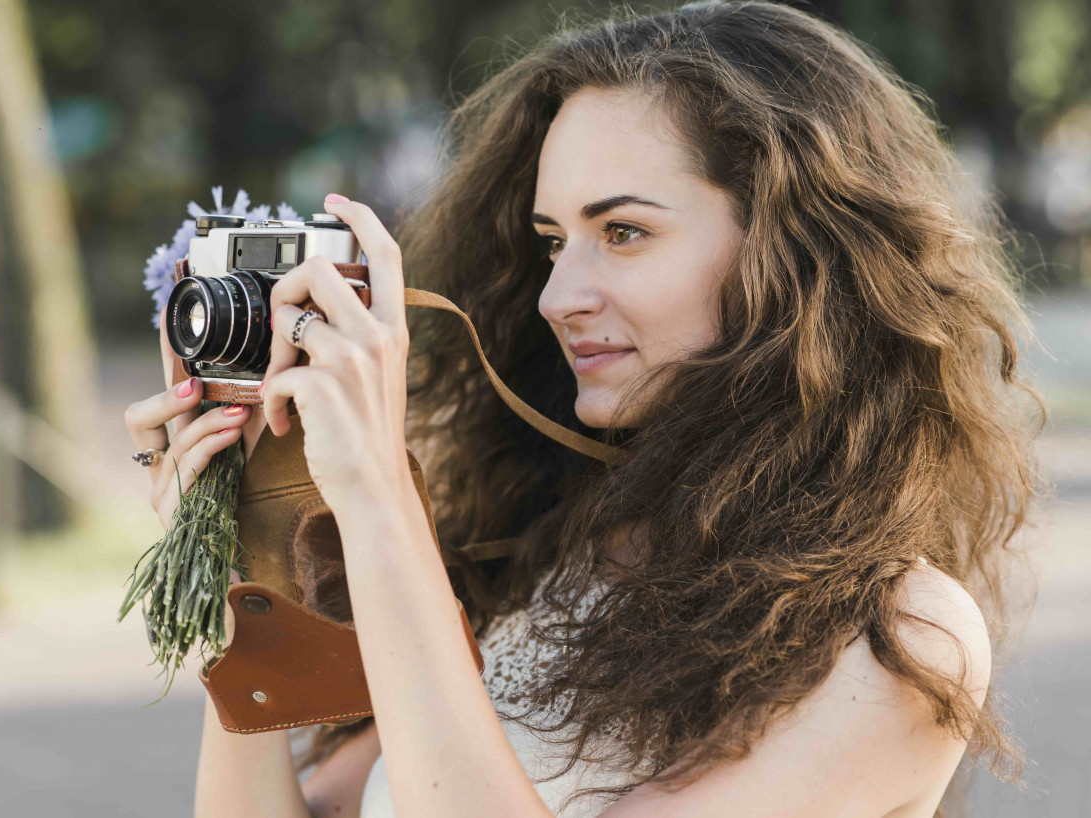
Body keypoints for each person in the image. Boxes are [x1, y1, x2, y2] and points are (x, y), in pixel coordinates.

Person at [124, 2, 1042, 816]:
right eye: (553, 241)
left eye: (624, 232)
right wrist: (235, 561)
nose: (557, 295)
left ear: (793, 257)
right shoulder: (550, 550)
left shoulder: (895, 636)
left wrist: (379, 506)